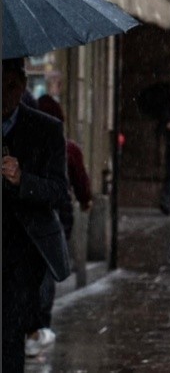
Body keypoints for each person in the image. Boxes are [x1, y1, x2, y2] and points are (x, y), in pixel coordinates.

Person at [2, 58, 71, 372]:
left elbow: (58, 191)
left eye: (10, 86)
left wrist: (22, 180)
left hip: (20, 258)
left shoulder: (46, 130)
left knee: (9, 341)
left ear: (22, 85)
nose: (3, 94)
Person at [24, 95, 93, 357]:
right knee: (44, 271)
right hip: (53, 220)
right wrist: (85, 201)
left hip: (44, 218)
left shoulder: (39, 145)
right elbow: (78, 183)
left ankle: (33, 329)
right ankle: (36, 328)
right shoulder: (66, 148)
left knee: (36, 271)